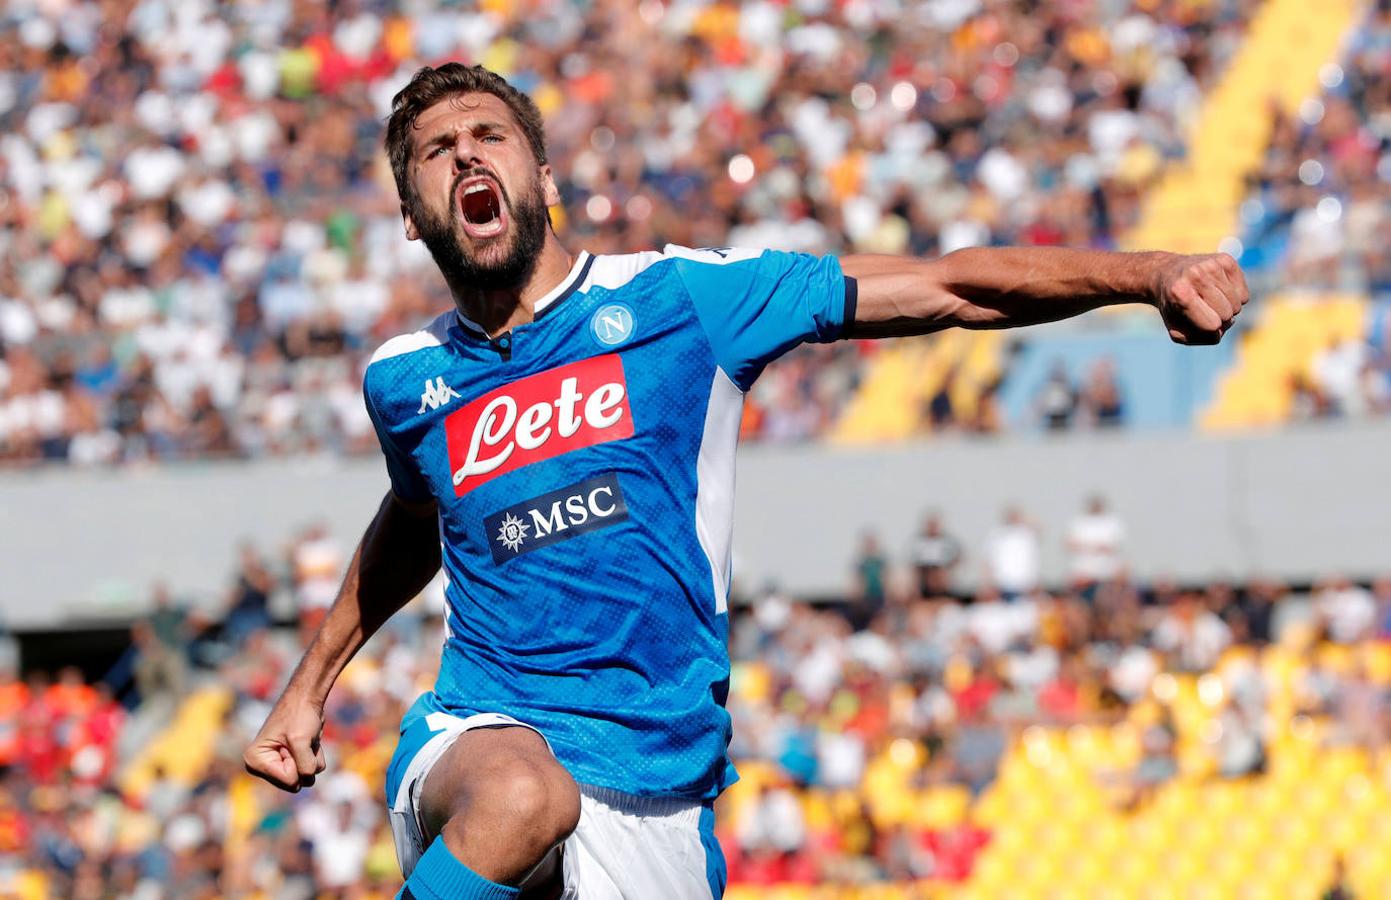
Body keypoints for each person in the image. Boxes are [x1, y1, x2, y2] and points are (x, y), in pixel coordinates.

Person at [243, 63, 1248, 900]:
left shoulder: (683, 300)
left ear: (540, 170)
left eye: (488, 134)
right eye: (435, 149)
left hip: (656, 793)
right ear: (413, 217)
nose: (464, 152)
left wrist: (1148, 273)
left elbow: (945, 286)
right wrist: (307, 690)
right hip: (484, 733)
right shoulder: (405, 377)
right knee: (516, 798)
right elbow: (418, 515)